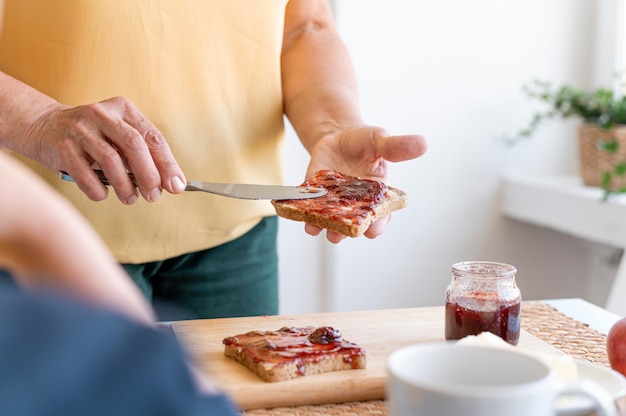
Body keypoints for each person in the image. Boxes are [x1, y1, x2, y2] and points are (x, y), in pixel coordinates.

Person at [0, 0, 428, 319]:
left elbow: (304, 27)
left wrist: (332, 126)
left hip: (235, 241)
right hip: (40, 235)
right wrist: (38, 120)